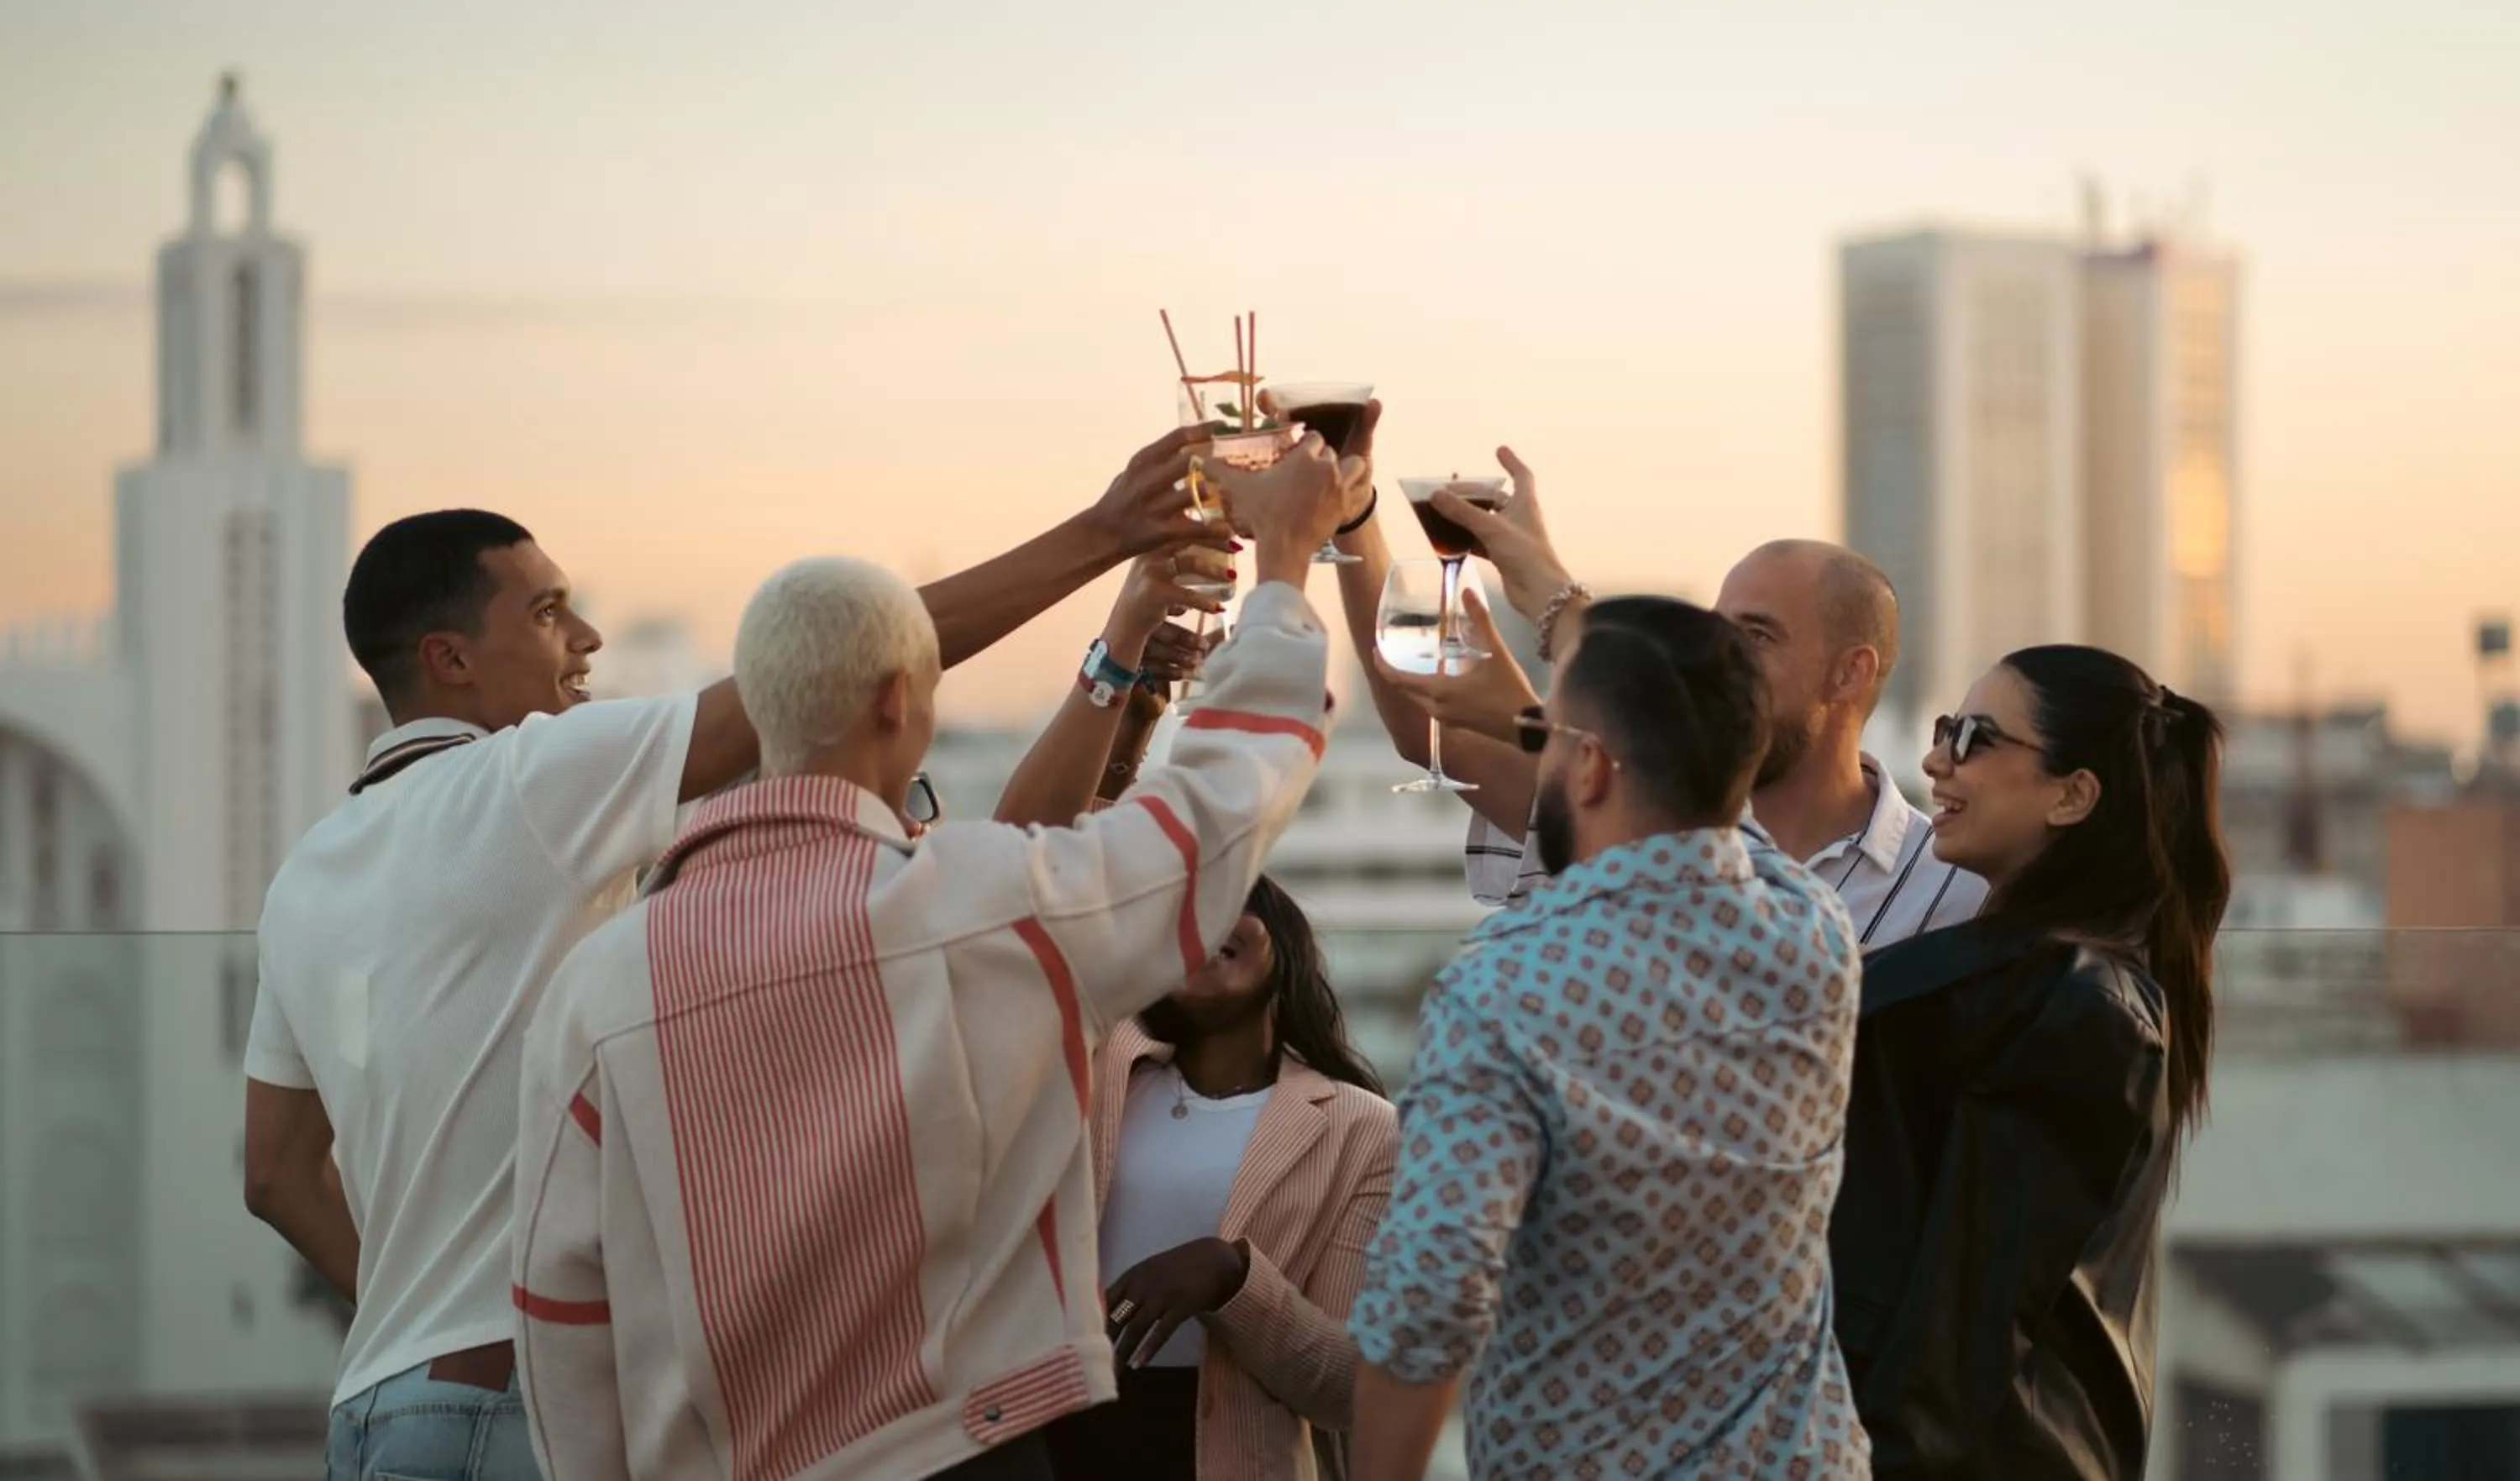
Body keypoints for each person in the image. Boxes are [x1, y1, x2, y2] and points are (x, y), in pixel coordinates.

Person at [244, 428, 1222, 1481]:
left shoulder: (304, 876)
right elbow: (832, 663)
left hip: (376, 1413)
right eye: (543, 611)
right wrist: (1104, 533)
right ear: (450, 660)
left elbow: (277, 1174)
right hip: (515, 1413)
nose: (584, 637)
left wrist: (419, 1325)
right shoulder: (527, 782)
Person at [509, 440, 1362, 1481]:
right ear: (896, 704)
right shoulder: (972, 908)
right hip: (960, 1455)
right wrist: (1284, 567)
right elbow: (1218, 811)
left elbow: (560, 1307)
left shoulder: (599, 984)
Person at [1347, 596, 1869, 1481]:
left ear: (1589, 767)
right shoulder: (1813, 936)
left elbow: (1432, 1295)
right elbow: (1715, 793)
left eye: (1550, 740)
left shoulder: (1501, 987)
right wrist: (1560, 716)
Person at [1326, 434, 1982, 946]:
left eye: (1756, 636)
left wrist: (1546, 685)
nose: (1720, 659)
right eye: (1716, 631)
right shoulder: (1614, 796)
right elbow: (1428, 727)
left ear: (1851, 673)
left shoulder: (1954, 885)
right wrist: (1353, 514)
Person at [1828, 645, 2228, 1478]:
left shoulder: (2078, 1009)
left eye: (1975, 737)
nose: (1936, 759)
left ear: (2073, 795)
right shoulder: (2037, 983)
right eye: (1945, 729)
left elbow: (1961, 1329)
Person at [1036, 875, 1397, 1481]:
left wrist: (1228, 1274)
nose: (1198, 924)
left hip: (1228, 1455)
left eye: (1226, 901)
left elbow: (1344, 1386)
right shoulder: (1093, 1068)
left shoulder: (1361, 1128)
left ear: (1281, 939)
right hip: (1051, 1436)